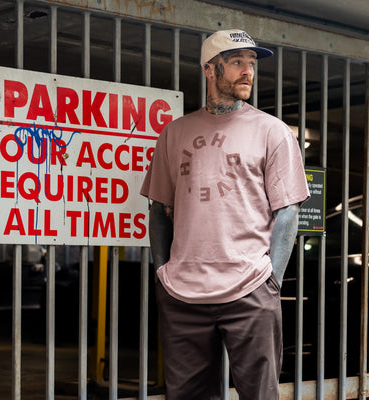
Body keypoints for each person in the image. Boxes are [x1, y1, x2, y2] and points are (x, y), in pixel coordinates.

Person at [140, 28, 310, 400]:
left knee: (259, 395)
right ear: (210, 70)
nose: (247, 71)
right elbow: (158, 210)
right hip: (182, 292)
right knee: (185, 395)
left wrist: (271, 283)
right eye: (236, 63)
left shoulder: (273, 132)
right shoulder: (174, 133)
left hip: (250, 289)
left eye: (251, 63)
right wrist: (162, 272)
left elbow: (288, 211)